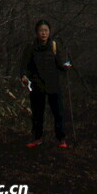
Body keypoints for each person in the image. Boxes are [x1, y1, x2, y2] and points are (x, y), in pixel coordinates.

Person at [19, 19, 71, 149]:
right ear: (37, 32)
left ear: (49, 32)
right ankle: (37, 138)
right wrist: (24, 76)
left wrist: (66, 66)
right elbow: (24, 66)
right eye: (41, 31)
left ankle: (61, 139)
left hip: (53, 83)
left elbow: (60, 64)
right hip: (37, 84)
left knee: (58, 112)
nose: (44, 33)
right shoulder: (30, 47)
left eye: (46, 31)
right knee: (37, 113)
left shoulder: (54, 46)